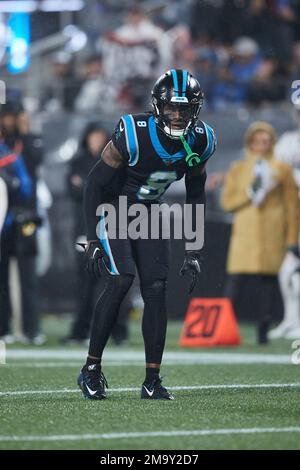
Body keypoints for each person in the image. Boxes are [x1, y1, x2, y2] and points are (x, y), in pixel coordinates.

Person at [77, 69, 216, 400]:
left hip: (149, 211)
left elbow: (197, 192)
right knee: (121, 279)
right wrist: (93, 240)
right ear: (158, 107)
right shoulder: (134, 132)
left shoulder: (201, 139)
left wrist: (194, 249)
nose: (178, 114)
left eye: (184, 108)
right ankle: (91, 370)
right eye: (172, 108)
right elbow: (94, 184)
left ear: (195, 109)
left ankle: (152, 380)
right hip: (115, 207)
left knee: (156, 287)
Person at [221, 122, 299, 344]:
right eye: (257, 141)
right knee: (234, 282)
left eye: (266, 141)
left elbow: (293, 207)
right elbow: (227, 203)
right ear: (250, 142)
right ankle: (224, 329)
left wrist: (292, 238)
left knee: (267, 283)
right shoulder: (238, 168)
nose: (262, 146)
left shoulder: (282, 170)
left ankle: (263, 333)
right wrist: (249, 193)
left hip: (272, 233)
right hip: (245, 232)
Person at [268, 110, 300, 339]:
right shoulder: (288, 141)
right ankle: (291, 319)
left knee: (293, 270)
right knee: (287, 269)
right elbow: (274, 173)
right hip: (292, 212)